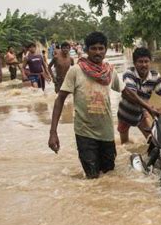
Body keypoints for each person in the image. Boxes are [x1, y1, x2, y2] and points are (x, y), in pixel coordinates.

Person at [48, 32, 149, 179]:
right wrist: (53, 132)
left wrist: (150, 108)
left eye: (101, 48)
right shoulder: (76, 70)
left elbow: (127, 92)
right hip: (85, 133)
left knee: (109, 176)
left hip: (106, 132)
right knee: (93, 178)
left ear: (106, 49)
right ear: (87, 49)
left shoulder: (109, 71)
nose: (98, 52)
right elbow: (60, 100)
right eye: (93, 48)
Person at [117, 47, 161, 144]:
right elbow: (132, 95)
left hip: (141, 113)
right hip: (125, 113)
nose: (144, 65)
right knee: (125, 144)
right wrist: (149, 108)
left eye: (146, 61)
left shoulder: (155, 76)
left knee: (152, 141)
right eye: (140, 62)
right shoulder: (129, 74)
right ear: (134, 63)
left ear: (150, 62)